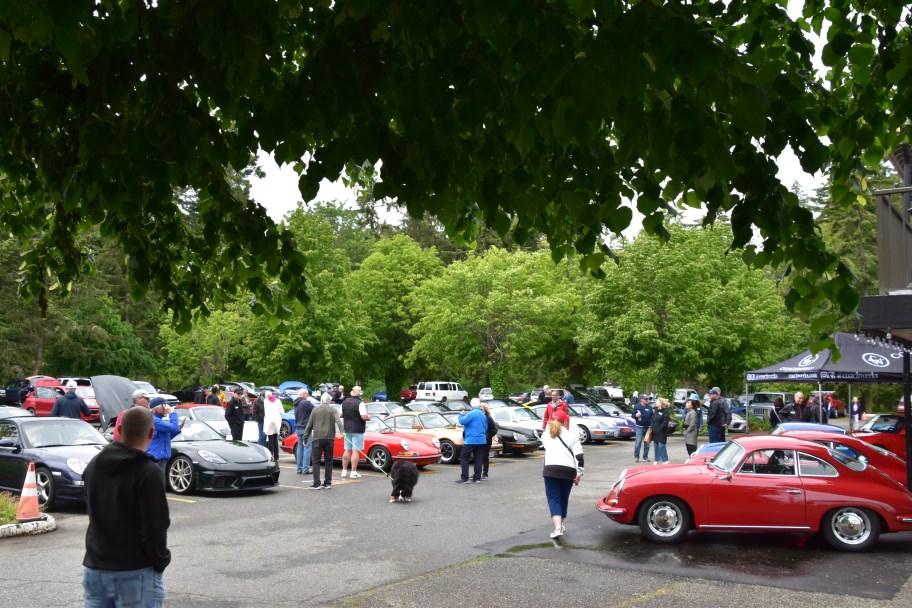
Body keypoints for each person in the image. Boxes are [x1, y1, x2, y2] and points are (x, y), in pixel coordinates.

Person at [83, 407, 170, 608]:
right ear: (151, 433)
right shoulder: (148, 472)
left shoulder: (94, 466)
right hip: (135, 569)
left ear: (120, 429)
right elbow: (155, 526)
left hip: (95, 567)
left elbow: (92, 509)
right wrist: (160, 560)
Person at [541, 409, 583, 539]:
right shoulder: (572, 435)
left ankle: (558, 528)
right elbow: (579, 456)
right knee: (564, 498)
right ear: (565, 421)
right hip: (568, 471)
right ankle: (561, 525)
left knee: (554, 498)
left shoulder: (546, 435)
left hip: (550, 470)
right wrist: (579, 473)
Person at [301, 392, 343, 489]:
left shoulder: (315, 410)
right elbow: (339, 421)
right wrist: (342, 432)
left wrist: (305, 437)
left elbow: (309, 425)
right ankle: (328, 483)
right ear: (329, 401)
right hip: (330, 438)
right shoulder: (333, 410)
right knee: (329, 461)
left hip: (317, 438)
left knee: (316, 461)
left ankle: (317, 483)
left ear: (321, 400)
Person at [147, 397, 181, 477]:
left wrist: (177, 429)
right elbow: (173, 427)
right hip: (155, 459)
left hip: (160, 459)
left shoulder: (158, 421)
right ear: (156, 409)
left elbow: (165, 438)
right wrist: (172, 413)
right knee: (156, 483)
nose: (166, 408)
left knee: (160, 482)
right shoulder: (154, 420)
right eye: (164, 406)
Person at [456, 398, 487, 484]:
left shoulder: (472, 413)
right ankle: (477, 478)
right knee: (478, 459)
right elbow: (486, 427)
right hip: (482, 440)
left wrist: (461, 415)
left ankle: (465, 478)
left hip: (471, 440)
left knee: (464, 457)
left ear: (471, 405)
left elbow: (462, 421)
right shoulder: (482, 414)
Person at [340, 386, 368, 479]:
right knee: (355, 451)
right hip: (358, 429)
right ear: (359, 394)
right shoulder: (360, 403)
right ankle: (353, 472)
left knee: (347, 450)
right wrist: (369, 417)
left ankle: (344, 471)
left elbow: (340, 414)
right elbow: (363, 416)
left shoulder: (344, 402)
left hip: (347, 429)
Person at [294, 388, 316, 474]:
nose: (308, 396)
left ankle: (299, 468)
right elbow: (315, 411)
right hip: (306, 428)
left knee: (300, 447)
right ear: (304, 394)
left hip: (298, 428)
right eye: (307, 394)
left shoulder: (296, 403)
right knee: (307, 448)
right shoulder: (306, 403)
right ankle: (305, 469)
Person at [262, 391, 284, 461]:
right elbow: (282, 411)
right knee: (275, 439)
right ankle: (276, 456)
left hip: (269, 422)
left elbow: (264, 412)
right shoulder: (278, 401)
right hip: (277, 422)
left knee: (270, 439)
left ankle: (271, 455)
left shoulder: (265, 401)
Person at [632, 394, 653, 463]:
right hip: (639, 427)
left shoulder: (650, 407)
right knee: (638, 442)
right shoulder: (637, 406)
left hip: (648, 428)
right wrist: (636, 415)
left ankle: (645, 457)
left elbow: (652, 416)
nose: (647, 400)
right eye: (645, 399)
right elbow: (632, 415)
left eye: (647, 399)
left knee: (647, 443)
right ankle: (636, 457)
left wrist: (652, 425)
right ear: (641, 400)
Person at [481, 403, 498, 480]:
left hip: (486, 441)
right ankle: (477, 473)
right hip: (479, 439)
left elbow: (494, 429)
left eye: (481, 409)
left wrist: (488, 435)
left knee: (484, 456)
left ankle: (485, 473)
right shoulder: (479, 418)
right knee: (479, 456)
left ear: (484, 410)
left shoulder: (488, 418)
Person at [650, 398, 670, 464]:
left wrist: (659, 429)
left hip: (662, 432)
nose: (656, 402)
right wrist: (652, 427)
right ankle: (656, 459)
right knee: (656, 445)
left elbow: (665, 422)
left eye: (657, 401)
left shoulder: (665, 411)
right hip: (655, 431)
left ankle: (665, 460)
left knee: (661, 445)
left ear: (661, 403)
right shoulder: (655, 410)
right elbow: (652, 419)